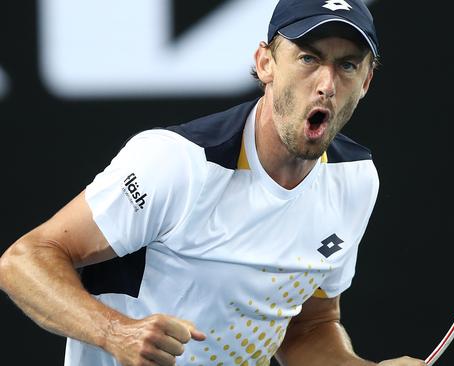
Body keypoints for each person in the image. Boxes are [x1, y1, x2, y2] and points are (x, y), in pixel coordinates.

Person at [0, 0, 425, 365]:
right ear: (265, 64)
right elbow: (23, 261)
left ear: (366, 82)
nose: (327, 85)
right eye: (308, 58)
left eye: (347, 65)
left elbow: (309, 327)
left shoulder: (355, 180)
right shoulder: (178, 162)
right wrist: (117, 333)